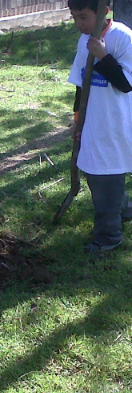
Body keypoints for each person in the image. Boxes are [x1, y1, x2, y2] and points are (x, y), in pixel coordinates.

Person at [68, 0, 132, 253]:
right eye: (74, 18)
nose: (79, 24)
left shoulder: (123, 38)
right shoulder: (84, 42)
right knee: (97, 172)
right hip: (93, 120)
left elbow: (126, 84)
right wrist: (77, 120)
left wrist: (103, 56)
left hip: (115, 122)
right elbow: (80, 84)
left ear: (104, 11)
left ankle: (108, 237)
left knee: (106, 174)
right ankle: (124, 210)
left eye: (83, 17)